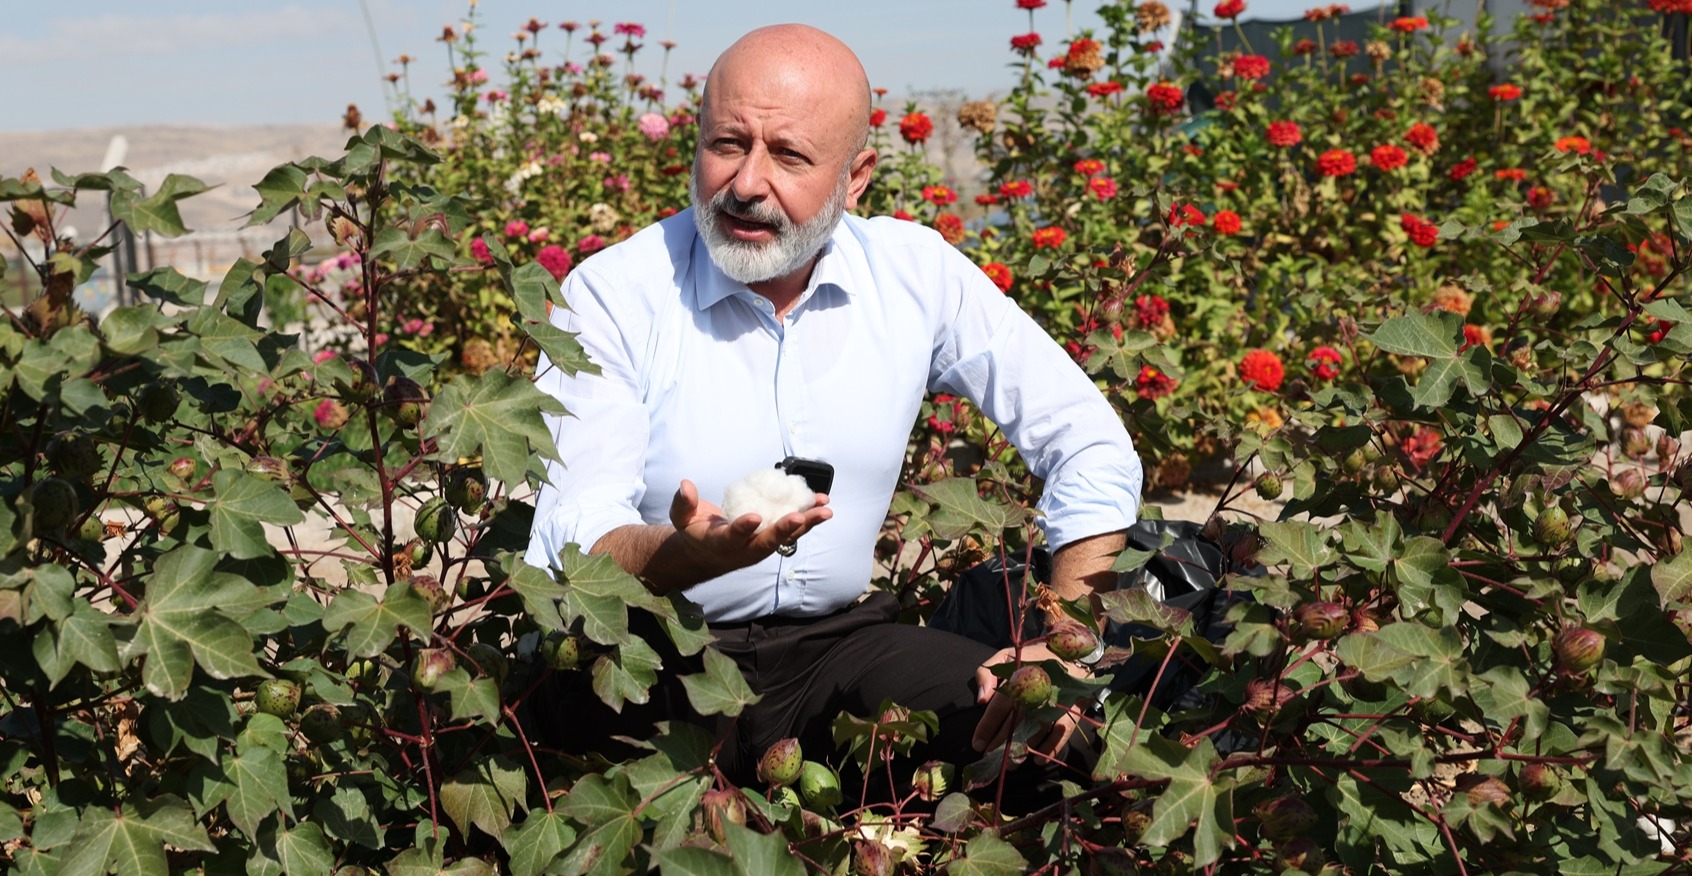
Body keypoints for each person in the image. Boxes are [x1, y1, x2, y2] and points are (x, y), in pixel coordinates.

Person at [523, 24, 1142, 803]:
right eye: (726, 144)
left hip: (836, 650)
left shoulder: (915, 275)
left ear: (856, 179)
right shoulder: (614, 294)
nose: (746, 183)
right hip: (652, 651)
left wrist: (1063, 643)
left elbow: (1087, 440)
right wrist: (689, 557)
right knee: (629, 816)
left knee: (1044, 739)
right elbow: (574, 543)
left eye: (787, 155)